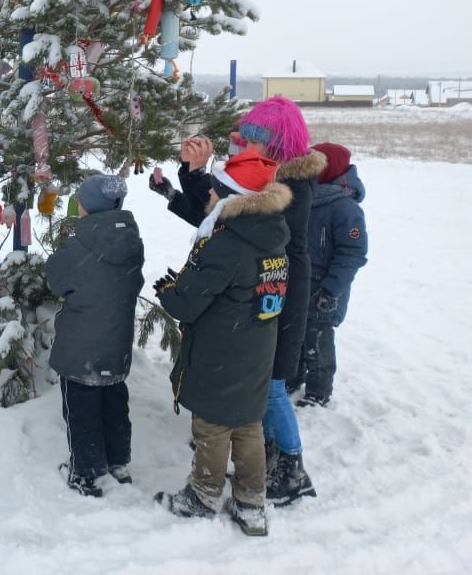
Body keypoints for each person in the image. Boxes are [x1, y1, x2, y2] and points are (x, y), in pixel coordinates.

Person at [150, 96, 326, 506]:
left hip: (277, 295)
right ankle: (259, 466)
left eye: (252, 138)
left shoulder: (287, 186)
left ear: (276, 144)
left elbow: (229, 214)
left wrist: (202, 176)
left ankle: (291, 469)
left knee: (273, 387)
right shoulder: (267, 176)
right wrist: (190, 177)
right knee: (259, 386)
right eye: (243, 136)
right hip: (259, 290)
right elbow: (219, 214)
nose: (243, 145)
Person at [153, 149, 292, 537]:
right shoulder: (272, 235)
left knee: (212, 425)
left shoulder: (229, 243)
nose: (208, 196)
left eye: (214, 190)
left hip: (222, 348)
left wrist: (169, 291)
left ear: (234, 199)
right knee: (247, 424)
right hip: (257, 345)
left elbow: (189, 300)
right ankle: (251, 502)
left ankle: (203, 495)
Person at [45, 174, 144, 497]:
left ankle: (86, 473)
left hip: (81, 347)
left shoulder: (78, 247)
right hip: (116, 343)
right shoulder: (132, 241)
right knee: (114, 400)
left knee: (82, 407)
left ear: (85, 207)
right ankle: (118, 462)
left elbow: (56, 281)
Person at [294, 142, 368, 407]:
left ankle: (318, 391)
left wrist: (331, 290)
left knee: (318, 342)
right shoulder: (307, 195)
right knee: (296, 335)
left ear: (329, 168)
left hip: (324, 290)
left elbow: (353, 254)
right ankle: (294, 377)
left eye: (316, 163)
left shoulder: (345, 208)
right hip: (299, 282)